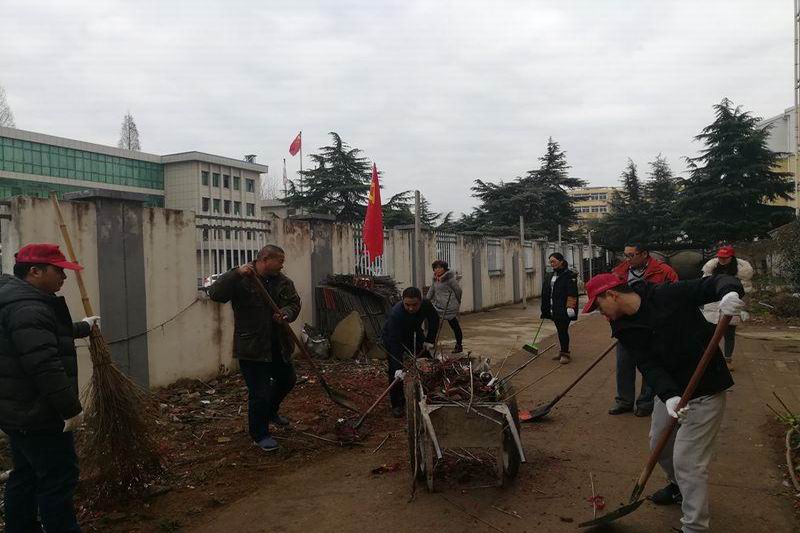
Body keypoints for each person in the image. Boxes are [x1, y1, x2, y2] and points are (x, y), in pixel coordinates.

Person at [583, 272, 743, 533]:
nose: (600, 313)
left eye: (598, 306)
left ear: (611, 294)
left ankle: (694, 527)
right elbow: (647, 363)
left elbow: (716, 282)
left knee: (688, 461)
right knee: (659, 443)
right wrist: (669, 396)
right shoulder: (622, 327)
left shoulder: (666, 294)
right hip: (671, 392)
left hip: (705, 388)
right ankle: (678, 487)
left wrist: (730, 292)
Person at [0, 243, 100, 533]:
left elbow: (41, 335)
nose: (64, 278)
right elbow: (44, 366)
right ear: (35, 271)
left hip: (18, 412)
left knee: (26, 474)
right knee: (58, 479)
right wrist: (70, 409)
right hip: (39, 414)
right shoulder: (29, 308)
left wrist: (82, 327)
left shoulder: (17, 300)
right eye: (59, 271)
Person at [208, 245, 301, 452]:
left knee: (287, 380)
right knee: (260, 393)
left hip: (278, 345)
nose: (282, 265)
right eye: (280, 261)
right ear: (265, 259)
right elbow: (215, 294)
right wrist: (235, 273)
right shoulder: (242, 279)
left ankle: (270, 411)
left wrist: (286, 313)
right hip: (252, 347)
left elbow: (294, 304)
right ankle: (260, 434)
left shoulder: (284, 282)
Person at [608, 243, 678, 417]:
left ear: (644, 254)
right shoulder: (619, 272)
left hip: (652, 328)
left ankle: (646, 402)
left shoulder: (664, 271)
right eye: (625, 255)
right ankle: (624, 400)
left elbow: (674, 297)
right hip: (627, 328)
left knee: (650, 364)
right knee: (624, 364)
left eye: (631, 255)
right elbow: (608, 299)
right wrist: (614, 321)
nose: (627, 259)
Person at [381, 286, 440, 417]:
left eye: (414, 305)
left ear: (420, 301)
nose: (411, 308)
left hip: (414, 332)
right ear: (402, 301)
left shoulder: (426, 305)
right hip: (393, 337)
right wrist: (398, 367)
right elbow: (394, 343)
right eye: (407, 305)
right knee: (395, 372)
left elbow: (434, 320)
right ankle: (398, 404)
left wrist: (429, 340)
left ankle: (429, 395)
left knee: (427, 363)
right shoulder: (395, 314)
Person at [701, 245, 753, 371]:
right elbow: (703, 287)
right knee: (710, 334)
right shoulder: (711, 269)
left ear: (731, 257)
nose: (722, 260)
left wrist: (743, 308)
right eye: (720, 257)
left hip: (731, 304)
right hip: (713, 305)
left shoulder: (741, 273)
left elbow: (745, 291)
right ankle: (709, 359)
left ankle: (728, 359)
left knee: (729, 334)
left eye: (725, 257)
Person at [540, 252, 579, 364]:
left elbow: (572, 293)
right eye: (550, 262)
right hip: (554, 308)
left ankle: (565, 354)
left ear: (561, 261)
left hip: (564, 309)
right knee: (560, 330)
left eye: (554, 261)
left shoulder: (569, 275)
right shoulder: (550, 275)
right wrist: (545, 308)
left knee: (563, 330)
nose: (552, 264)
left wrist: (570, 307)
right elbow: (547, 291)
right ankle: (562, 351)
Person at [426, 260, 463, 353]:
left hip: (449, 306)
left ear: (444, 268)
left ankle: (459, 345)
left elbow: (458, 290)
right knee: (433, 323)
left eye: (440, 268)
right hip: (438, 306)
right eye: (435, 268)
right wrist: (425, 301)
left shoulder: (450, 279)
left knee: (454, 325)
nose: (437, 270)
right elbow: (431, 290)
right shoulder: (435, 279)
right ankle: (431, 342)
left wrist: (457, 301)